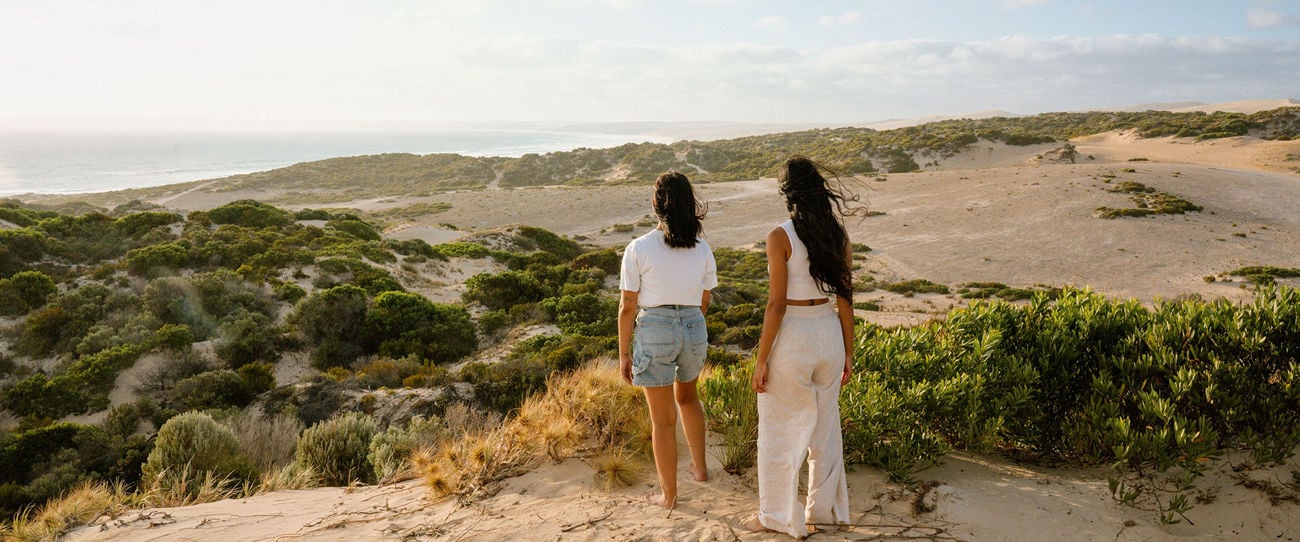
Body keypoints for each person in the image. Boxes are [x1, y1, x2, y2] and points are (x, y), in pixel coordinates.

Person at [744, 155, 859, 537]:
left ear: (787, 194)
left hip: (793, 336)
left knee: (780, 433)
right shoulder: (836, 234)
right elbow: (845, 297)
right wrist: (849, 351)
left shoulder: (780, 236)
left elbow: (775, 304)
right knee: (825, 433)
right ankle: (824, 514)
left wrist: (761, 359)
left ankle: (776, 517)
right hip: (828, 332)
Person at [618, 170, 717, 509]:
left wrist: (624, 354)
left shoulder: (639, 248)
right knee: (689, 398)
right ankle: (701, 470)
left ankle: (669, 496)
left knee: (662, 420)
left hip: (655, 327)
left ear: (657, 205)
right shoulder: (702, 248)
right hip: (693, 325)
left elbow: (627, 306)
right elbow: (704, 301)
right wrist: (687, 325)